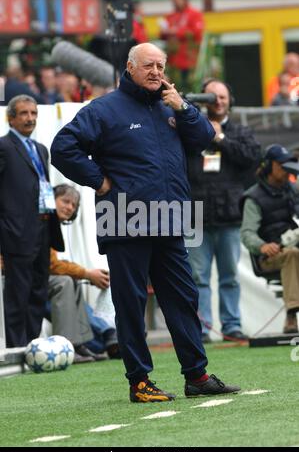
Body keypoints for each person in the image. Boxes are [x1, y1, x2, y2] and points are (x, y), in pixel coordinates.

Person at [51, 42, 241, 402]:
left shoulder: (172, 106)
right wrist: (99, 180)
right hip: (125, 218)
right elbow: (63, 147)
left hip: (171, 220)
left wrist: (183, 108)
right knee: (131, 302)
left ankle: (197, 376)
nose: (155, 72)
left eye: (160, 65)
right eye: (148, 65)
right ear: (130, 67)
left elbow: (204, 139)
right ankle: (139, 381)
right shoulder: (105, 109)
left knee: (183, 298)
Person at [187, 79, 261, 343]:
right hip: (194, 214)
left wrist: (219, 138)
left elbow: (252, 158)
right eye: (211, 97)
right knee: (198, 277)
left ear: (230, 100)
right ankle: (202, 329)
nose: (217, 101)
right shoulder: (191, 130)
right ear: (202, 100)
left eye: (222, 97)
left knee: (229, 276)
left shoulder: (240, 131)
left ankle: (231, 326)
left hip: (230, 214)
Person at [0, 94, 63, 347]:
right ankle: (17, 347)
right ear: (10, 118)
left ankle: (33, 344)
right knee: (18, 291)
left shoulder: (40, 149)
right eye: (24, 113)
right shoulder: (3, 146)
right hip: (16, 230)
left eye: (34, 113)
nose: (30, 118)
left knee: (38, 289)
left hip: (43, 225)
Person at [48, 183, 119, 362]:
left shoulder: (52, 226)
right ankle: (80, 342)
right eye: (65, 201)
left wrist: (83, 274)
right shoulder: (42, 223)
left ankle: (84, 343)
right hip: (21, 280)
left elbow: (53, 264)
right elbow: (52, 265)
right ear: (52, 200)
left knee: (71, 280)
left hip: (37, 281)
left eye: (73, 205)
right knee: (65, 281)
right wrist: (87, 273)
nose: (69, 207)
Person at [241, 144, 299, 334]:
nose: (286, 169)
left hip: (294, 246)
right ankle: (292, 315)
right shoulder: (253, 198)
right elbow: (247, 233)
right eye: (282, 165)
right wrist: (263, 246)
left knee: (294, 253)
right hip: (270, 256)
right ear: (269, 166)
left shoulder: (292, 190)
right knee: (292, 254)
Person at [159, 0, 204, 92]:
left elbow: (197, 32)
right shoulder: (170, 16)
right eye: (173, 1)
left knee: (189, 87)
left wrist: (176, 31)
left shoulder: (194, 14)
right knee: (174, 87)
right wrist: (165, 32)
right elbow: (162, 35)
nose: (175, 3)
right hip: (173, 60)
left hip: (189, 59)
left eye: (176, 1)